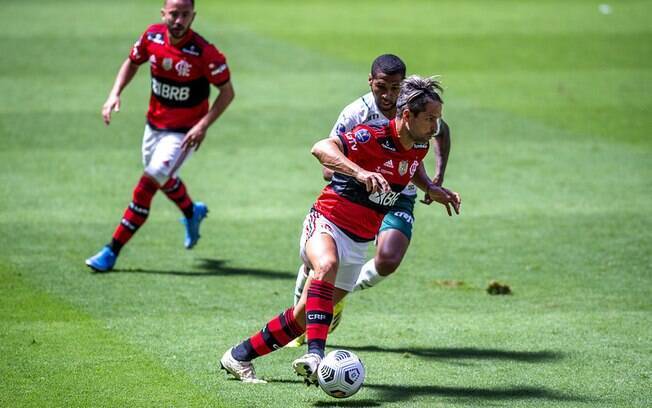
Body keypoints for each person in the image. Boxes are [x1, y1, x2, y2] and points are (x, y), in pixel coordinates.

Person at [220, 75, 461, 384]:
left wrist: (431, 188)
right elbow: (321, 148)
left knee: (303, 317)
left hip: (358, 243)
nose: (435, 125)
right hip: (327, 221)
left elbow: (409, 169)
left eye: (437, 118)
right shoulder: (370, 136)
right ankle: (315, 355)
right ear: (406, 115)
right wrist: (359, 172)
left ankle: (238, 356)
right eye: (430, 118)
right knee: (326, 264)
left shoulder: (417, 147)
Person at [288, 55, 453, 346]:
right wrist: (363, 169)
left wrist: (434, 180)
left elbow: (442, 132)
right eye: (381, 87)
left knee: (388, 260)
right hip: (360, 193)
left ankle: (336, 297)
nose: (388, 95)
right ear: (370, 82)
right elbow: (327, 164)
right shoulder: (356, 114)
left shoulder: (418, 111)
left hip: (399, 194)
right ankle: (306, 322)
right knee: (321, 268)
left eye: (395, 88)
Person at [85, 0, 234, 272]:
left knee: (147, 185)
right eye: (174, 14)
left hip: (183, 135)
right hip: (153, 127)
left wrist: (202, 126)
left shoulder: (205, 53)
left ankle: (111, 250)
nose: (179, 20)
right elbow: (132, 62)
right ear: (163, 13)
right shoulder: (152, 36)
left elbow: (227, 92)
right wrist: (114, 93)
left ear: (193, 16)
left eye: (185, 15)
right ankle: (192, 211)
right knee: (161, 177)